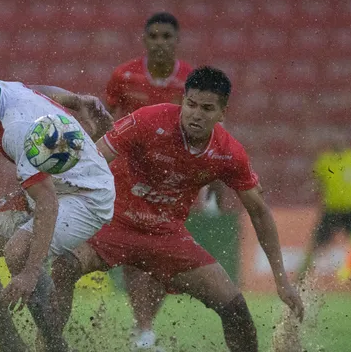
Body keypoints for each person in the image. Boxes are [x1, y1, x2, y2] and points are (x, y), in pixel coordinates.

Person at [50, 67, 304, 352]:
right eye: (191, 104)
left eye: (207, 108)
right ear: (183, 101)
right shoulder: (148, 119)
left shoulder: (229, 153)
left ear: (222, 113)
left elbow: (258, 212)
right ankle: (47, 347)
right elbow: (92, 161)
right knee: (64, 266)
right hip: (115, 223)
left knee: (234, 306)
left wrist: (282, 281)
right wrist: (49, 195)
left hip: (167, 236)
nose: (196, 114)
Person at [0, 54, 115, 352]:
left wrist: (31, 272)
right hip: (53, 184)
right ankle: (12, 348)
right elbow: (35, 88)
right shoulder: (3, 92)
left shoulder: (16, 129)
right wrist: (74, 99)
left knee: (19, 254)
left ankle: (56, 348)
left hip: (86, 196)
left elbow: (47, 202)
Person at [104, 11, 195, 349]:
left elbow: (206, 126)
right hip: (127, 175)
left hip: (173, 180)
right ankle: (144, 329)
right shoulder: (123, 76)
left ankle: (146, 324)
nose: (159, 43)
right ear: (144, 40)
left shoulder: (190, 79)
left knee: (160, 253)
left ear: (177, 41)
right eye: (153, 37)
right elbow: (109, 122)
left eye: (166, 37)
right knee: (132, 251)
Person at [298, 131, 351, 290]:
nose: (338, 141)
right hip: (331, 211)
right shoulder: (324, 160)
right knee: (314, 247)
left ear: (346, 140)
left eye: (341, 138)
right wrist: (310, 188)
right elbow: (317, 182)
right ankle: (298, 283)